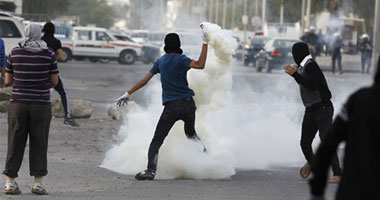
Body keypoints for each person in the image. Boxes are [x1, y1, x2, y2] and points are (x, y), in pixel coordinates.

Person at [114, 24, 208, 180]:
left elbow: (144, 81)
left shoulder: (160, 62)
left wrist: (128, 93)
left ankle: (150, 171)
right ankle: (207, 160)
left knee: (157, 140)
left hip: (172, 107)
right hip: (189, 104)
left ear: (165, 45)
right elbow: (200, 65)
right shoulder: (182, 60)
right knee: (191, 134)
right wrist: (204, 43)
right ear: (178, 45)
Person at [309, 56, 380, 200]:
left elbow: (329, 144)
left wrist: (317, 190)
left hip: (354, 191)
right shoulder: (358, 100)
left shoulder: (360, 100)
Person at [3, 24, 58, 195]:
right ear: (39, 34)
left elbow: (8, 80)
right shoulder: (48, 54)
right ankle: (38, 184)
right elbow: (54, 81)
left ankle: (10, 183)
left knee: (15, 141)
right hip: (41, 104)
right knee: (39, 142)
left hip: (18, 104)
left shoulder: (14, 53)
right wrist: (40, 85)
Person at [283, 42, 342, 183]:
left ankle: (338, 174)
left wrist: (295, 74)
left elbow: (312, 84)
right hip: (310, 110)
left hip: (323, 109)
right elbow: (305, 83)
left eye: (295, 53)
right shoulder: (303, 66)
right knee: (305, 143)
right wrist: (296, 73)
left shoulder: (311, 65)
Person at [41, 22, 79, 127]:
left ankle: (41, 116)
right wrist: (53, 59)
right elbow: (62, 57)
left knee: (43, 93)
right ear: (54, 30)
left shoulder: (39, 41)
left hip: (39, 71)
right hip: (52, 71)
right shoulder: (56, 42)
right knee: (63, 92)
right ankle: (68, 117)